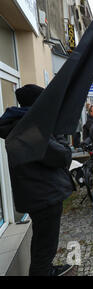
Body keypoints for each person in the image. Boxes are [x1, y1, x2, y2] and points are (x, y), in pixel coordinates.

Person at [0, 84, 74, 276]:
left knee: (43, 242)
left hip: (38, 193)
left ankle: (47, 269)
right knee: (45, 246)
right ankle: (43, 272)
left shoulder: (23, 124)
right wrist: (61, 138)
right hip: (44, 195)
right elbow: (62, 156)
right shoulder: (29, 128)